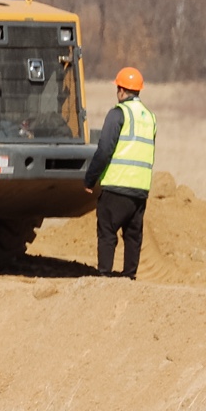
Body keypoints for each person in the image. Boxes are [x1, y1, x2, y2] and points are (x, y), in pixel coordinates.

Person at [83, 66, 156, 278]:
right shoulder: (150, 117)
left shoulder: (118, 114)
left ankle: (105, 277)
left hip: (116, 186)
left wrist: (90, 179)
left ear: (122, 91)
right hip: (140, 190)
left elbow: (104, 149)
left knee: (107, 233)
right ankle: (129, 277)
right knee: (133, 236)